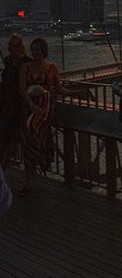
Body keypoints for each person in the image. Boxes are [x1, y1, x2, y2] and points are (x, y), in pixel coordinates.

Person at [17, 37, 63, 195]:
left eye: (38, 49)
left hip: (46, 108)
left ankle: (30, 178)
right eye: (33, 49)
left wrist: (79, 92)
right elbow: (22, 90)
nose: (35, 52)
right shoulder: (25, 67)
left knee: (32, 132)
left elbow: (60, 89)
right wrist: (32, 105)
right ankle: (34, 168)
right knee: (29, 135)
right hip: (30, 108)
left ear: (44, 50)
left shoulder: (52, 68)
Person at [1, 34, 30, 164]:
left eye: (12, 45)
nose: (9, 47)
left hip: (19, 106)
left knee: (8, 137)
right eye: (9, 44)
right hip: (6, 104)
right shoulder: (7, 60)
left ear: (19, 47)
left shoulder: (26, 62)